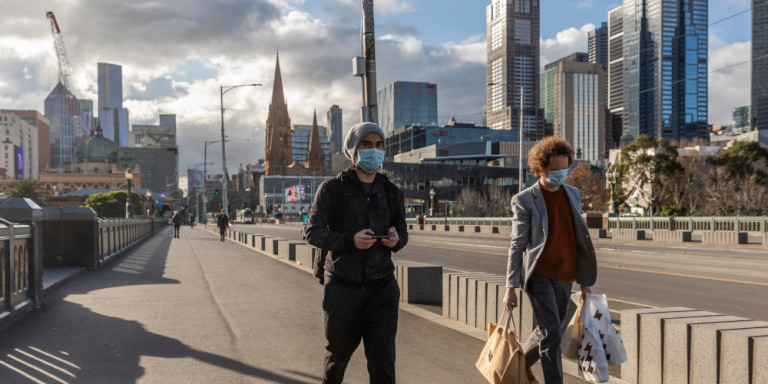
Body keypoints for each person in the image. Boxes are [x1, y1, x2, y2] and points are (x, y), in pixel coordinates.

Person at [305, 122, 408, 384]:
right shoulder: (332, 189)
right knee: (336, 359)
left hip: (382, 288)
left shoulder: (392, 192)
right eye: (366, 144)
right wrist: (350, 240)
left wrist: (394, 240)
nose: (374, 150)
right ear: (353, 150)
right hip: (342, 289)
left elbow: (403, 234)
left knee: (383, 364)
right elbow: (313, 232)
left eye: (379, 145)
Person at [504, 137, 598, 384]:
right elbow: (517, 246)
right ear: (540, 169)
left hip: (565, 274)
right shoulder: (525, 200)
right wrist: (510, 288)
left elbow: (577, 238)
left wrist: (584, 279)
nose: (561, 175)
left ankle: (517, 363)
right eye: (555, 171)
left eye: (565, 169)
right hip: (540, 275)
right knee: (553, 335)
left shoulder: (573, 194)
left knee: (548, 330)